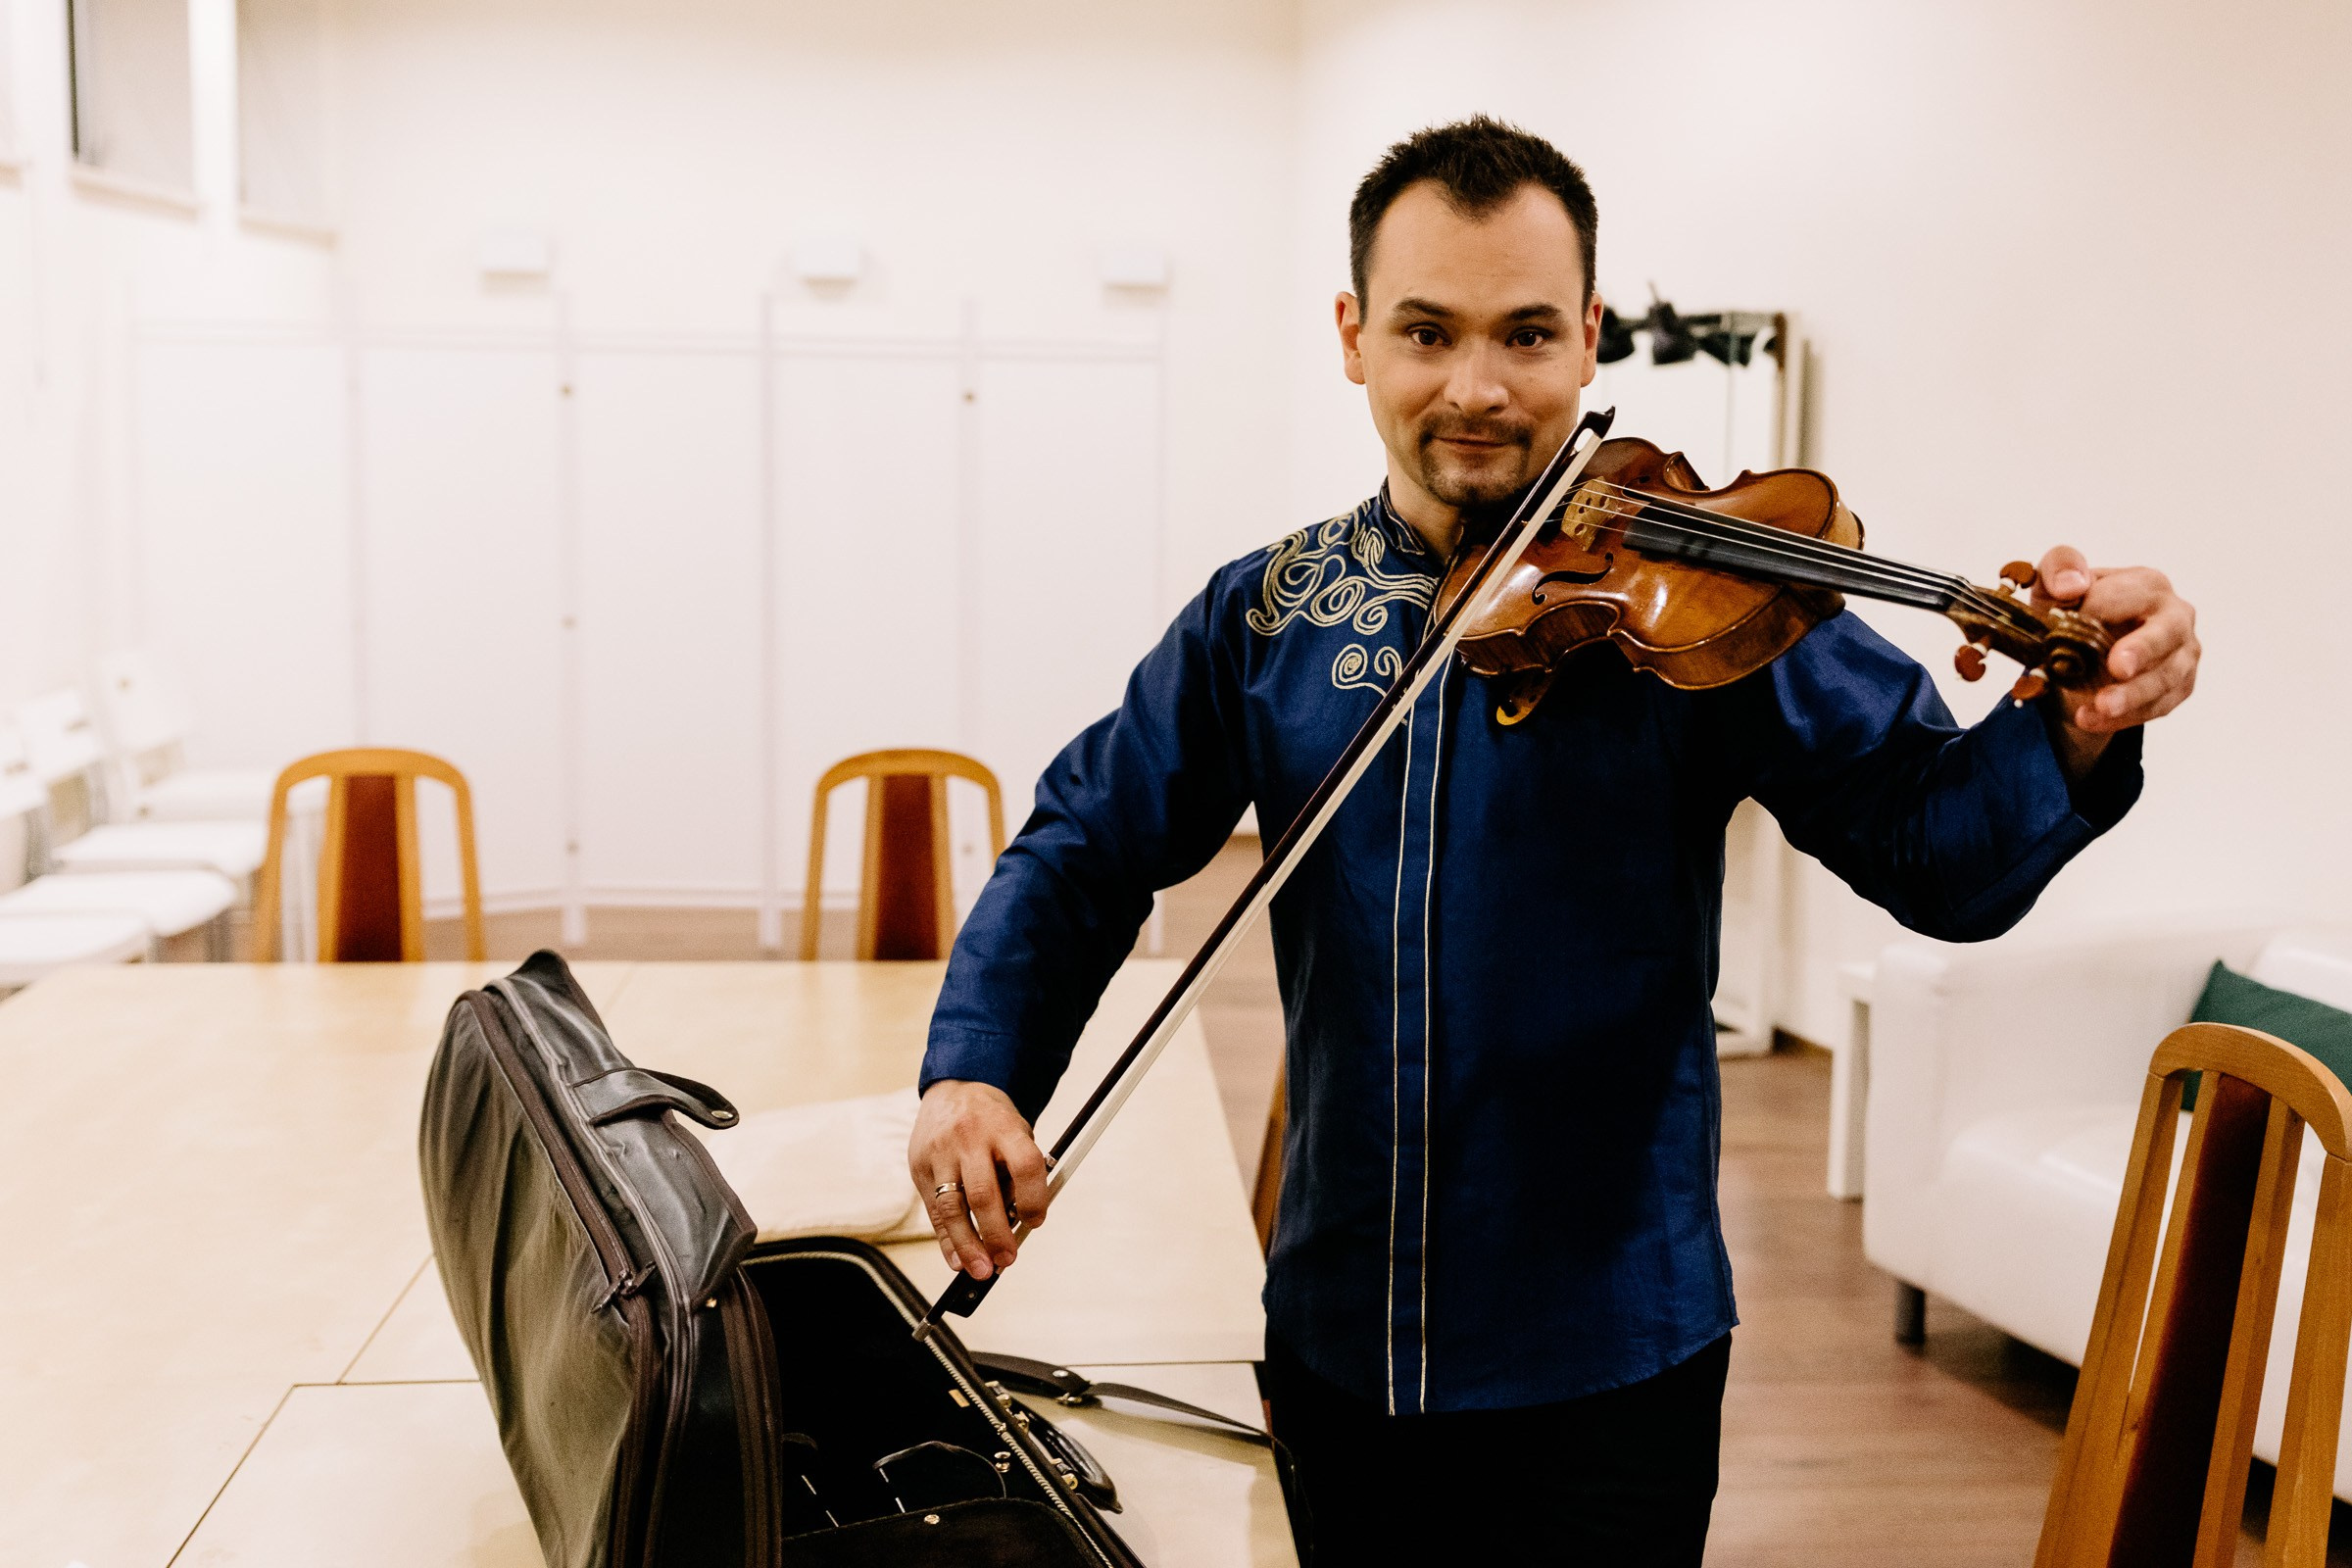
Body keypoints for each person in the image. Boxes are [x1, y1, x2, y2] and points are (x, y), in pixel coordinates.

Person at [906, 116, 2199, 1563]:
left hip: (1615, 1359)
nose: (1475, 387)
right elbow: (1087, 838)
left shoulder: (1700, 586)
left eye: (1524, 334)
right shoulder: (1265, 615)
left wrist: (2073, 727)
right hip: (1340, 1333)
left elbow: (1936, 852)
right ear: (1353, 336)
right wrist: (977, 1068)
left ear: (1589, 340)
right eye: (1425, 331)